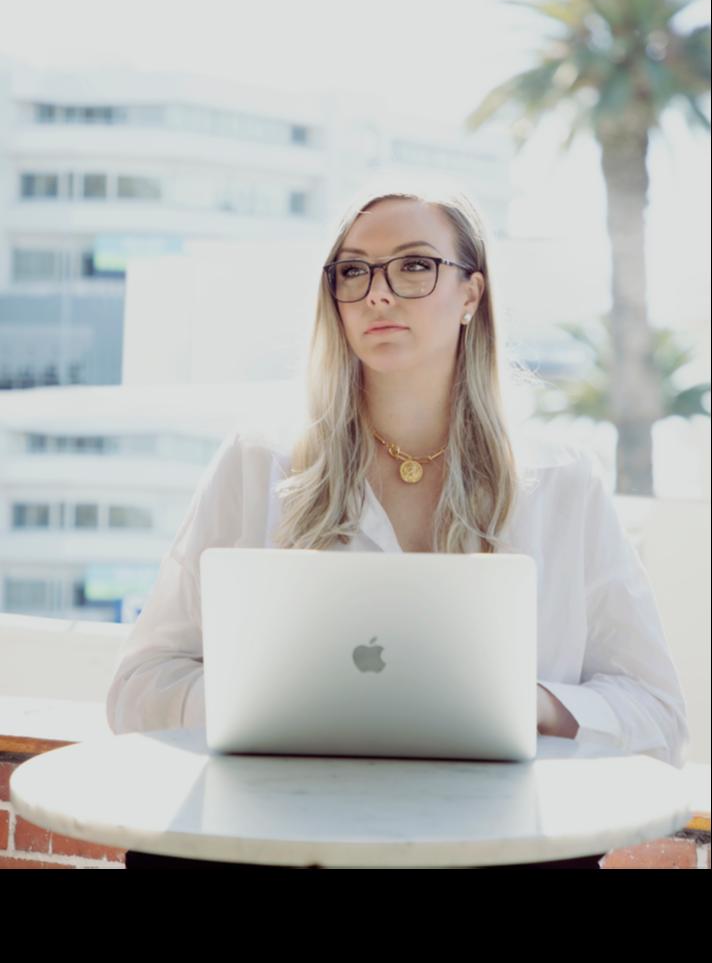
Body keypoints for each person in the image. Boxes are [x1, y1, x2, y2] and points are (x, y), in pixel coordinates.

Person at [107, 181, 690, 869]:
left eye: (414, 266)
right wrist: (266, 703)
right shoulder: (258, 461)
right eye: (354, 271)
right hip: (287, 834)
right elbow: (137, 688)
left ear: (471, 294)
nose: (377, 294)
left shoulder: (564, 482)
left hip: (496, 846)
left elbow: (659, 718)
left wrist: (524, 704)